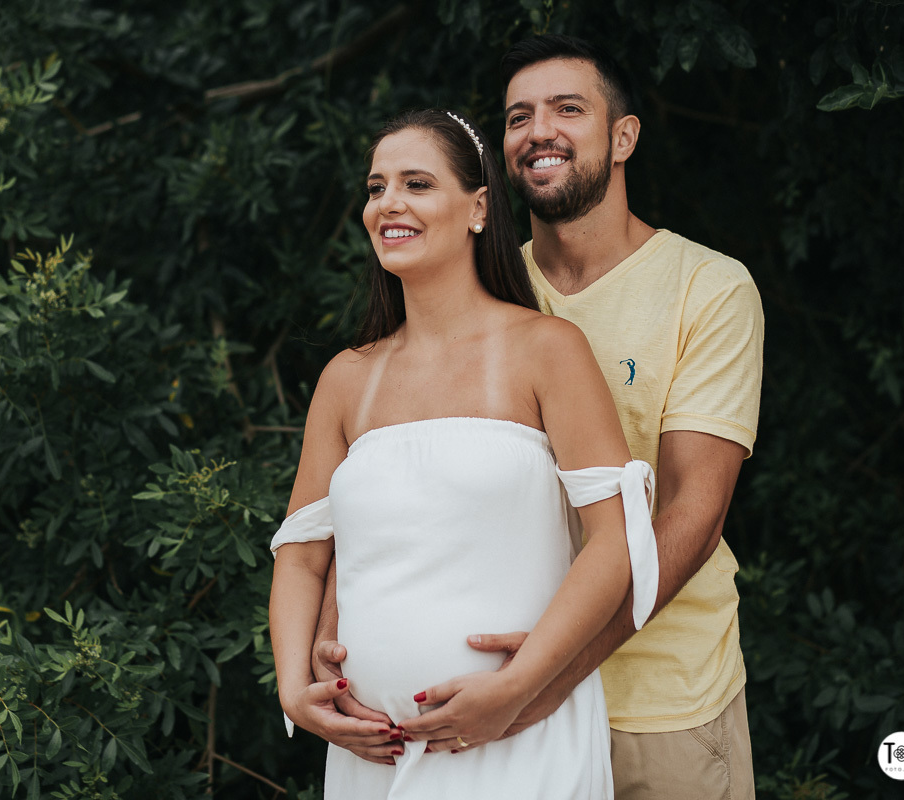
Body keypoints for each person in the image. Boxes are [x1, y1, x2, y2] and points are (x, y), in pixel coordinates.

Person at [309, 35, 764, 800]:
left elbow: (693, 511)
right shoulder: (472, 291)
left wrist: (548, 678)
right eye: (519, 116)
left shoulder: (707, 288)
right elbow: (381, 481)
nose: (538, 130)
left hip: (658, 700)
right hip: (479, 724)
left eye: (568, 109)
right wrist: (335, 631)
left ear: (624, 136)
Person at [268, 108, 660, 799]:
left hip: (517, 736)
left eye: (417, 184)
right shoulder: (347, 379)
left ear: (479, 208)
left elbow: (614, 542)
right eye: (376, 186)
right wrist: (295, 690)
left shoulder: (547, 350)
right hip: (373, 755)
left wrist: (518, 685)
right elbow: (301, 556)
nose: (389, 203)